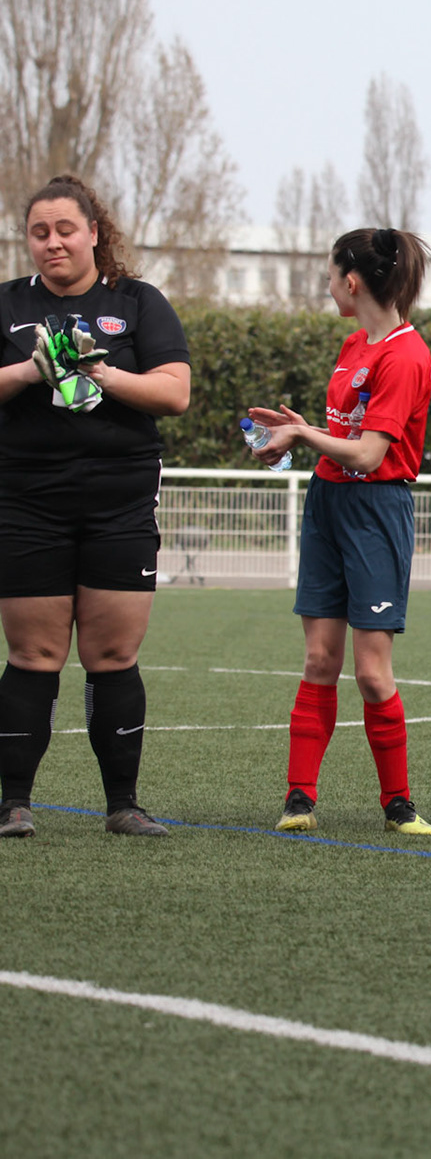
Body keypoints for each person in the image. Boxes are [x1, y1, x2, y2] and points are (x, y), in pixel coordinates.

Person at [0, 175, 190, 839]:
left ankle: (123, 806)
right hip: (26, 504)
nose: (52, 242)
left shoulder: (137, 302)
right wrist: (31, 370)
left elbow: (175, 393)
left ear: (93, 233)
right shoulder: (7, 304)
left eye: (65, 230)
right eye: (39, 232)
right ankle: (14, 805)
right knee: (33, 653)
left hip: (120, 506)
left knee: (112, 654)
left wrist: (101, 373)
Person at [246, 228, 431, 837]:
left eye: (329, 277)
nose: (328, 288)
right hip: (328, 503)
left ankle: (398, 803)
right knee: (319, 658)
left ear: (351, 282)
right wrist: (302, 429)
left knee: (372, 672)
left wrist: (304, 436)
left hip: (376, 511)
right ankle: (299, 799)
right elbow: (348, 439)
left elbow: (370, 455)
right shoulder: (355, 343)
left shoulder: (405, 355)